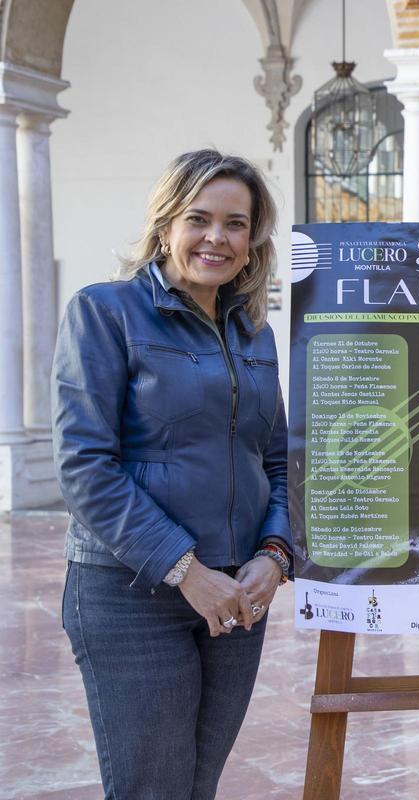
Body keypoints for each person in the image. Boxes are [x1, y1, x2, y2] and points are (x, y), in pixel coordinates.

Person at [53, 149, 293, 799]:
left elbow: (275, 457)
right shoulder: (105, 313)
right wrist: (186, 570)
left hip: (238, 596)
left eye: (236, 223)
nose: (217, 237)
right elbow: (85, 465)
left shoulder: (254, 332)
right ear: (166, 226)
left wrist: (275, 554)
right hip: (132, 595)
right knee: (151, 790)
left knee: (196, 787)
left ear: (253, 240)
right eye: (199, 218)